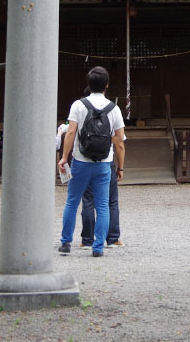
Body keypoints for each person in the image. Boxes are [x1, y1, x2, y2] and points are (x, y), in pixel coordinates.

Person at [58, 66, 125, 257]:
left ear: (88, 84)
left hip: (80, 161)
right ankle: (98, 248)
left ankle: (65, 243)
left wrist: (64, 157)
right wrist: (120, 167)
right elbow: (120, 140)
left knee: (72, 202)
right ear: (107, 85)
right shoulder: (114, 108)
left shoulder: (78, 105)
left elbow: (70, 132)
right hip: (104, 163)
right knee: (102, 205)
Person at [81, 131, 126, 248]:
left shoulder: (81, 112)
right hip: (106, 162)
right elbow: (120, 144)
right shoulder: (113, 112)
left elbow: (72, 135)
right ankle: (112, 238)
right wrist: (120, 168)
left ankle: (87, 240)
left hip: (85, 162)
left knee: (88, 201)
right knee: (111, 202)